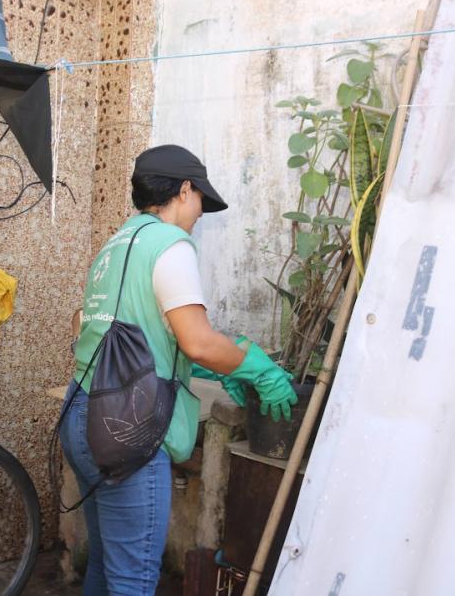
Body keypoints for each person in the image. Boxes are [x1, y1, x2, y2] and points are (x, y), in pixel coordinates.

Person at [59, 144, 298, 595]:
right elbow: (198, 341)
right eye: (201, 199)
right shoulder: (171, 246)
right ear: (184, 189)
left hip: (81, 414)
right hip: (126, 430)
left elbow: (115, 328)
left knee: (106, 566)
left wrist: (207, 366)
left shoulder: (117, 244)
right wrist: (254, 366)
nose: (201, 212)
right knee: (132, 579)